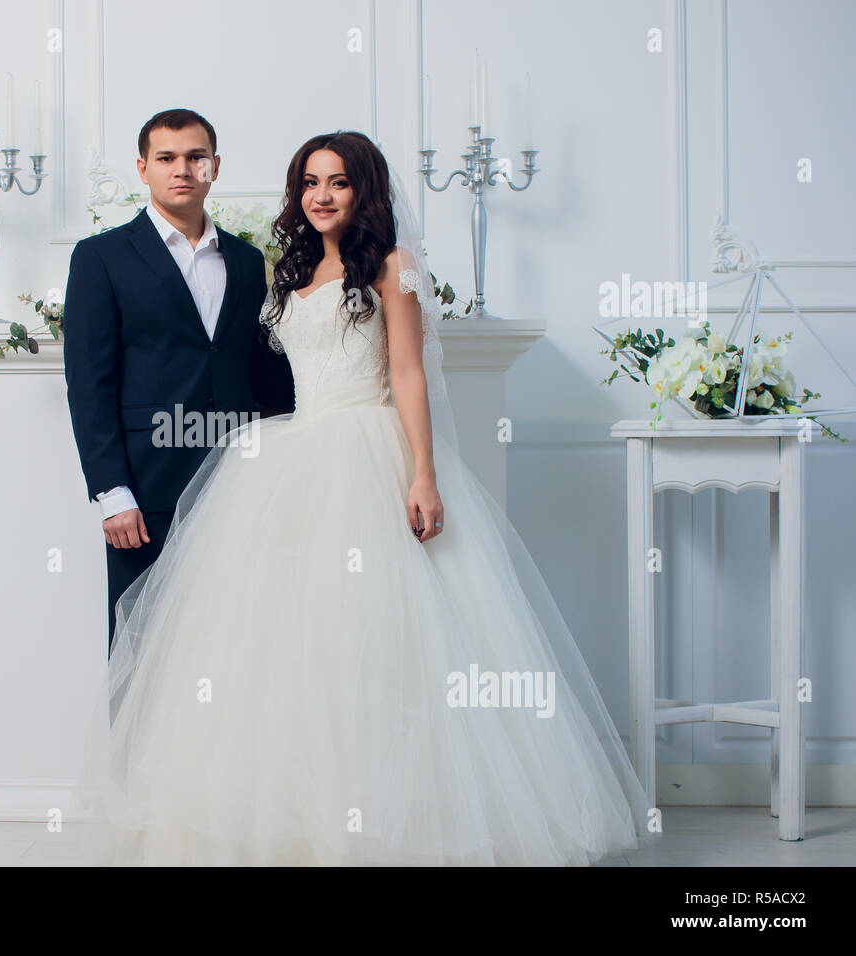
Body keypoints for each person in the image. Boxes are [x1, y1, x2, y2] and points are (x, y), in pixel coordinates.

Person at [68, 130, 660, 866]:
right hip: (288, 457)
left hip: (368, 454)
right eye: (310, 181)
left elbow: (408, 374)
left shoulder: (394, 266)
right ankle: (289, 818)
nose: (322, 194)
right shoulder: (286, 269)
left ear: (365, 190)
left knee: (383, 641)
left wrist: (423, 472)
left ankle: (400, 819)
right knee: (291, 647)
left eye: (339, 181)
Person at [63, 108, 295, 654]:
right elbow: (89, 383)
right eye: (166, 158)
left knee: (235, 639)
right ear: (143, 169)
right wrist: (111, 493)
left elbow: (264, 373)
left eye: (195, 157)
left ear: (216, 167)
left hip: (239, 482)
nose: (182, 169)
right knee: (142, 648)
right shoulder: (100, 258)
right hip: (146, 490)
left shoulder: (244, 260)